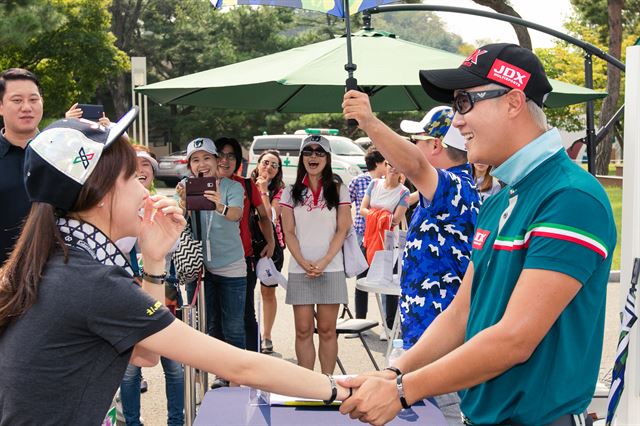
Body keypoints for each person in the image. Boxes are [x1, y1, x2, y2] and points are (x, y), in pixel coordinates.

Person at [0, 113, 350, 425]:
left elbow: (146, 352)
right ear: (100, 194)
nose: (143, 189)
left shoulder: (66, 257)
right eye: (131, 179)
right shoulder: (89, 280)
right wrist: (344, 390)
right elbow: (238, 366)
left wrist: (153, 261)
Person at [340, 43, 616, 426]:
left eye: (465, 103)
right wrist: (393, 373)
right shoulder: (502, 197)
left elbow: (514, 339)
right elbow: (460, 314)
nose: (456, 122)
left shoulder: (569, 195)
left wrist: (402, 391)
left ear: (514, 101)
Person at [118, 144, 184, 426]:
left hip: (165, 287)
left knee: (174, 363)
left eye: (146, 165)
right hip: (126, 290)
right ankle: (132, 422)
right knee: (131, 369)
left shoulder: (164, 204)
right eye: (133, 165)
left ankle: (176, 421)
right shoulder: (115, 207)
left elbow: (176, 247)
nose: (140, 170)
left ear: (153, 173)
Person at [175, 137, 246, 388]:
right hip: (198, 267)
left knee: (234, 326)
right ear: (190, 165)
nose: (201, 164)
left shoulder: (232, 187)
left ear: (218, 161)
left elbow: (236, 214)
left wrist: (218, 205)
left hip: (231, 264)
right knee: (208, 323)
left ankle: (239, 377)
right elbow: (178, 224)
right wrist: (183, 203)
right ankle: (219, 373)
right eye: (195, 159)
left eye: (207, 158)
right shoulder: (184, 186)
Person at [279, 134, 351, 374]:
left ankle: (327, 385)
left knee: (329, 330)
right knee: (303, 329)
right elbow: (288, 232)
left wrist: (323, 262)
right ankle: (307, 386)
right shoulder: (289, 192)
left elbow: (343, 229)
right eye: (308, 152)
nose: (313, 157)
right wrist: (304, 262)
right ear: (301, 158)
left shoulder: (340, 190)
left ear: (328, 158)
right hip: (300, 269)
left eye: (319, 152)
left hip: (331, 268)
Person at [214, 137, 276, 357]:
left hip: (243, 258)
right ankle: (224, 371)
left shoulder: (246, 185)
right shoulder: (201, 184)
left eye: (231, 156)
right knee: (216, 320)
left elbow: (263, 216)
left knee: (245, 314)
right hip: (210, 262)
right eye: (221, 154)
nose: (225, 160)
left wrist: (271, 242)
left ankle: (254, 364)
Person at [360, 159, 410, 331]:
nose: (393, 168)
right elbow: (362, 209)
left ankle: (388, 326)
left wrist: (378, 216)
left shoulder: (404, 192)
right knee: (362, 280)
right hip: (369, 238)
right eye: (390, 164)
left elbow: (396, 219)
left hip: (390, 243)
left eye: (397, 165)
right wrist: (382, 215)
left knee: (388, 284)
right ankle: (361, 321)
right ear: (386, 166)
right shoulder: (374, 184)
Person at [0, 68, 43, 266]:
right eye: (17, 101)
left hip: (57, 277)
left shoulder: (65, 154)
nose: (27, 107)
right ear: (1, 106)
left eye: (33, 100)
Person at [250, 149, 286, 354]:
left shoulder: (280, 190)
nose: (268, 167)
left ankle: (267, 336)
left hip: (272, 246)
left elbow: (270, 216)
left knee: (267, 291)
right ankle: (250, 334)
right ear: (257, 164)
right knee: (245, 291)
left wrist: (263, 190)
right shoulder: (245, 184)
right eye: (265, 162)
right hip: (247, 244)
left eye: (274, 165)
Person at [348, 147, 386, 320]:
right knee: (361, 277)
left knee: (386, 278)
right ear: (378, 163)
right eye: (386, 162)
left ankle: (388, 321)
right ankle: (360, 319)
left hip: (383, 235)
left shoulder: (389, 182)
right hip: (361, 234)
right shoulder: (358, 181)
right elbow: (345, 204)